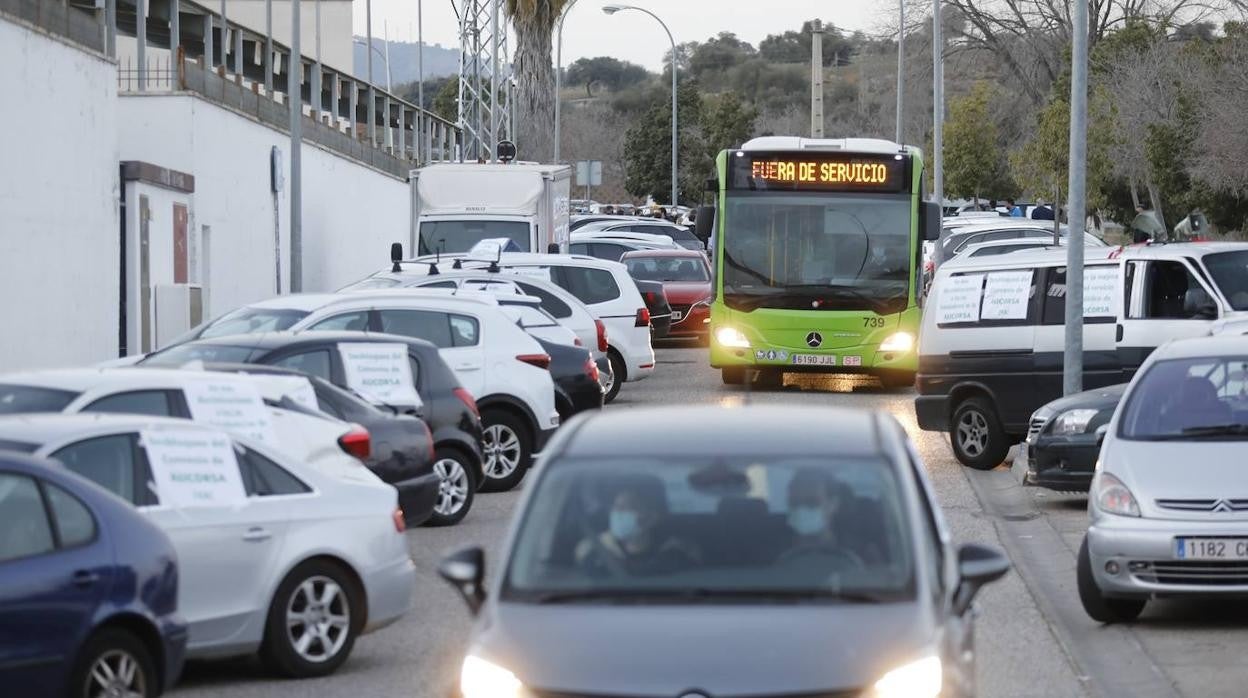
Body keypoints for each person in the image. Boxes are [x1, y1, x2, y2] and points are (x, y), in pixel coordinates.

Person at [576, 481, 699, 577]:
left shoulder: (674, 554)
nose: (616, 513)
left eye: (626, 507)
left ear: (651, 517)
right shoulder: (596, 554)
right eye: (615, 507)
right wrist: (596, 548)